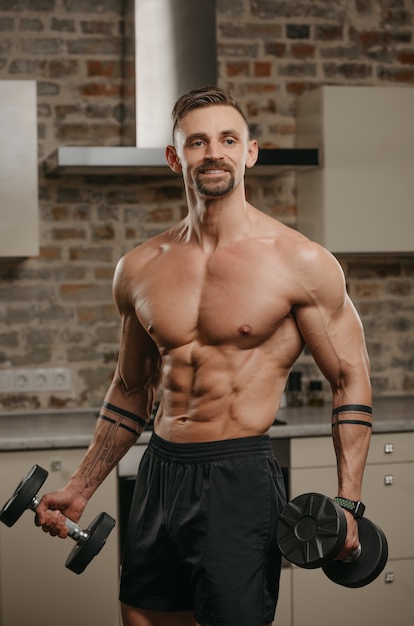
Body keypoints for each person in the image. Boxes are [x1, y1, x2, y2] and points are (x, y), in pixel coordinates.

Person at [35, 85, 372, 626]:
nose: (213, 152)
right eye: (197, 142)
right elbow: (131, 389)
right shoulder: (140, 267)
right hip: (160, 469)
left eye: (227, 139)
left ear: (249, 152)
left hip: (238, 473)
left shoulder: (300, 261)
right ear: (175, 158)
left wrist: (349, 503)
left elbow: (349, 379)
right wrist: (79, 487)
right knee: (141, 617)